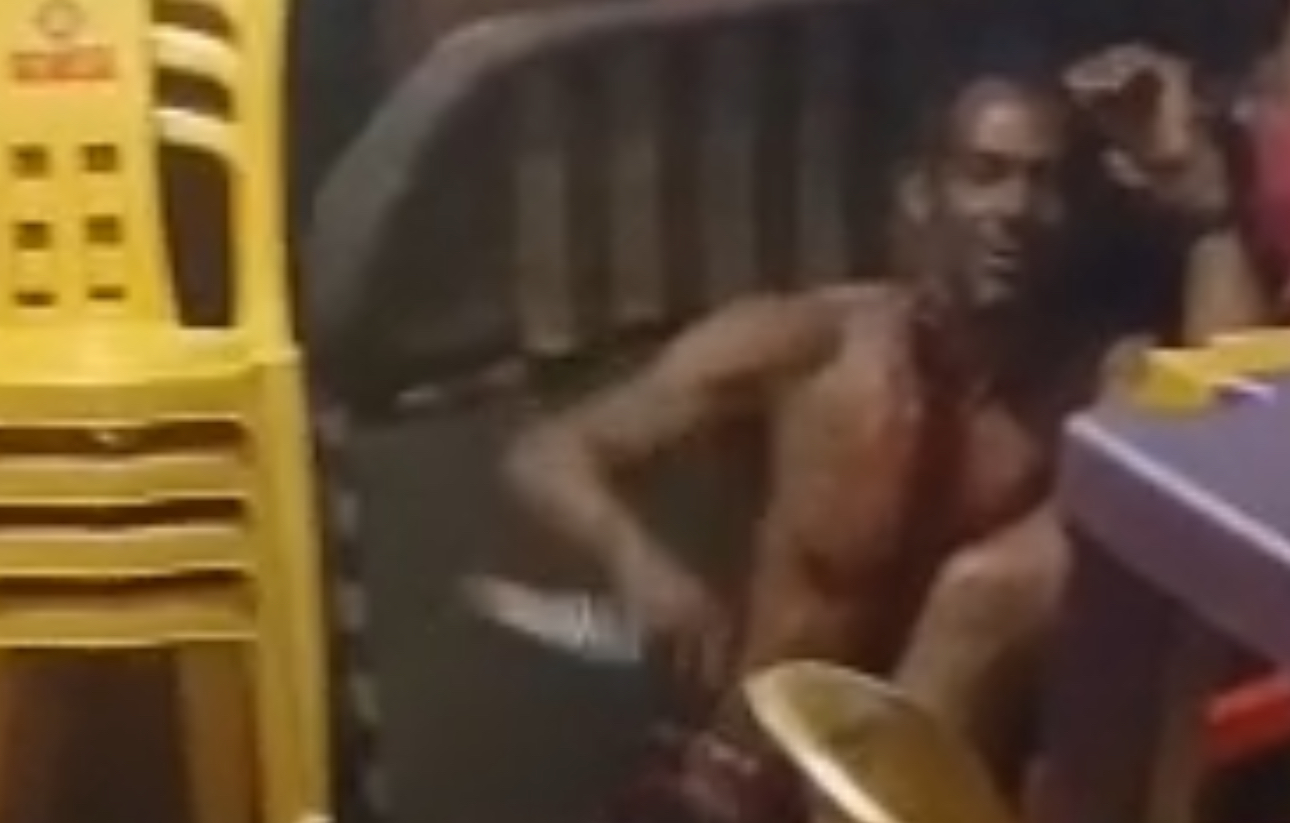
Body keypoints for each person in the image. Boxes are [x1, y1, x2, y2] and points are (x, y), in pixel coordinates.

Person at [503, 45, 1273, 823]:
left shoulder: (1092, 380)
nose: (1013, 207)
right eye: (985, 173)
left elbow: (1232, 426)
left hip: (930, 801)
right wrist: (640, 563)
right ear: (921, 193)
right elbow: (548, 452)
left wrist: (1205, 205)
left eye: (1042, 184)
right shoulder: (814, 345)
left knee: (990, 597)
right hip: (745, 780)